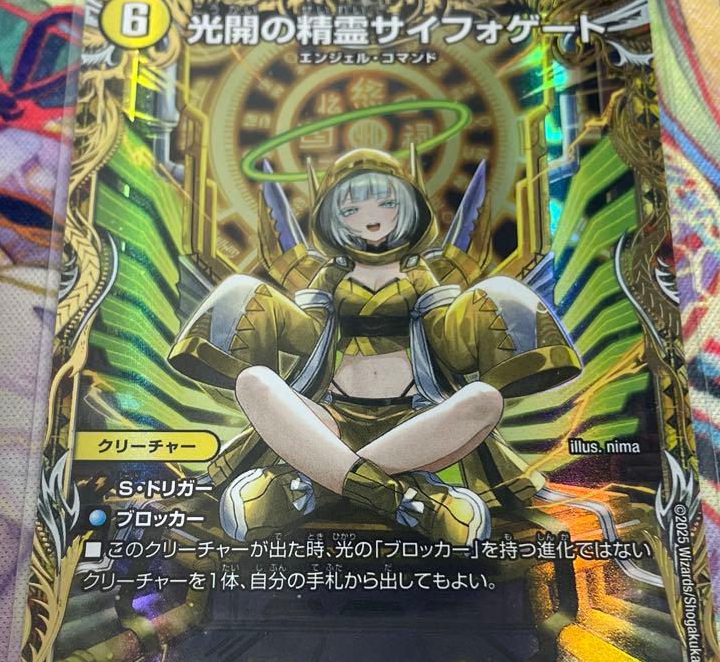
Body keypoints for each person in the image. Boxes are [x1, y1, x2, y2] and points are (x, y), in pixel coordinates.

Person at [168, 147, 582, 545]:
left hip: (414, 423)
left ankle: (315, 482)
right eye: (352, 209)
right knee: (255, 382)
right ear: (332, 218)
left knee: (485, 400)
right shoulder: (329, 277)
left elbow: (452, 348)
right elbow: (306, 338)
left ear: (409, 208)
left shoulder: (421, 277)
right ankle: (409, 500)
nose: (371, 217)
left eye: (386, 203)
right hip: (329, 419)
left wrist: (484, 308)